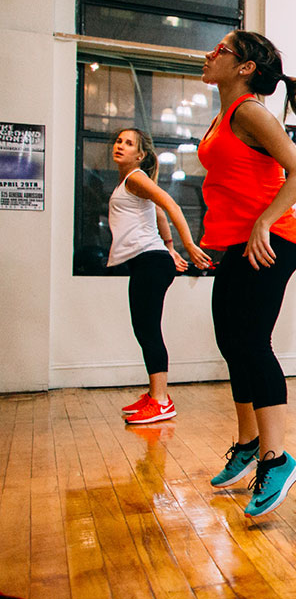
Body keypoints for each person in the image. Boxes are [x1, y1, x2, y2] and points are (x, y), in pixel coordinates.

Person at [199, 30, 296, 518]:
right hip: (238, 240)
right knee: (231, 342)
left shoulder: (250, 112)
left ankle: (277, 458)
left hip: (275, 239)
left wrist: (266, 222)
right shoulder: (224, 116)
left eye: (223, 50)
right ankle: (249, 443)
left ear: (246, 67)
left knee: (252, 343)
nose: (211, 55)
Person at [109, 128, 211, 424]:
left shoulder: (136, 177)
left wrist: (188, 245)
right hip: (150, 260)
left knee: (148, 330)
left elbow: (171, 205)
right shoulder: (131, 182)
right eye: (119, 141)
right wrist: (169, 248)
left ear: (140, 155)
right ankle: (156, 394)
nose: (120, 146)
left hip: (150, 262)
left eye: (128, 144)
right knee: (145, 329)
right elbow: (159, 215)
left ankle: (161, 400)